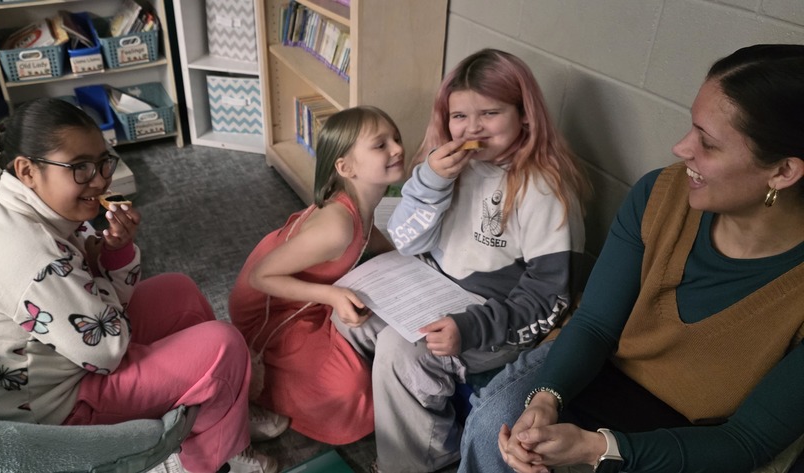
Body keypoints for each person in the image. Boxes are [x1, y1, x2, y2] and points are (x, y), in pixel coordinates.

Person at [472, 43, 804, 473]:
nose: (681, 148)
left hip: (702, 434)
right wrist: (546, 398)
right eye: (691, 128)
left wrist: (599, 450)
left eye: (707, 143)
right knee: (494, 425)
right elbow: (595, 324)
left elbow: (745, 442)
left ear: (783, 171)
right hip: (604, 371)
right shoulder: (660, 195)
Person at [0, 98, 276, 473]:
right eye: (80, 167)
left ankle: (224, 413)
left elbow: (94, 309)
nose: (99, 180)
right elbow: (107, 351)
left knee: (179, 292)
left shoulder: (33, 216)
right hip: (47, 415)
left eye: (102, 162)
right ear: (27, 171)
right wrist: (105, 272)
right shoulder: (36, 258)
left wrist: (114, 252)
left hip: (56, 366)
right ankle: (213, 461)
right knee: (223, 347)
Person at [378, 48, 589, 472]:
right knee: (353, 316)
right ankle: (406, 427)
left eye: (489, 113)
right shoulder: (448, 166)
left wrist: (471, 328)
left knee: (397, 349)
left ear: (524, 115)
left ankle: (417, 460)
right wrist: (430, 182)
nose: (471, 128)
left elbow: (548, 299)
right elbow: (404, 239)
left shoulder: (543, 188)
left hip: (493, 319)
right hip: (436, 290)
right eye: (459, 116)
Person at [228, 106, 406, 445]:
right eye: (380, 145)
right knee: (351, 392)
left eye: (395, 138)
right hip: (271, 317)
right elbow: (260, 277)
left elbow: (370, 237)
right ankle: (249, 386)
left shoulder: (362, 202)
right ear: (345, 167)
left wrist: (409, 265)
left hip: (303, 299)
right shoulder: (336, 226)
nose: (397, 148)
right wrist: (332, 295)